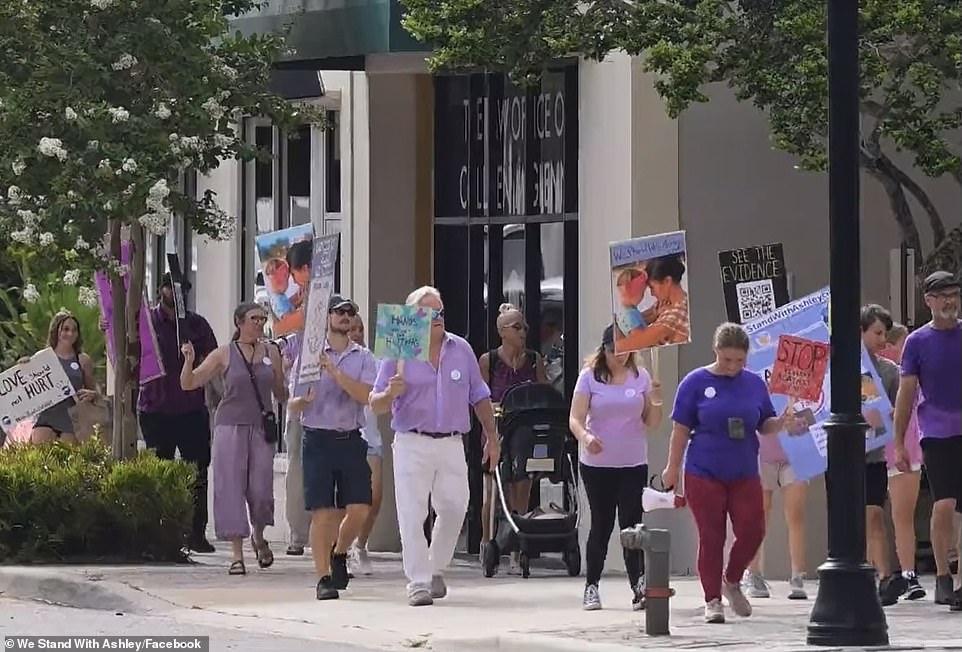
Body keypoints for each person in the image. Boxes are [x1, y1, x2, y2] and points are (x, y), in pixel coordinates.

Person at [370, 286, 500, 607]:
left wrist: (492, 438)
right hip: (412, 440)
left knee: (456, 506)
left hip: (452, 441)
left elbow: (480, 396)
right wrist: (390, 393)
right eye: (429, 312)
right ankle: (418, 580)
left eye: (440, 311)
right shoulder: (398, 352)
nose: (437, 318)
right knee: (412, 513)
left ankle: (435, 566)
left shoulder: (461, 349)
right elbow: (375, 403)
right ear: (414, 316)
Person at [661, 322, 788, 624]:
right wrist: (671, 467)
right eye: (727, 359)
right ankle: (712, 599)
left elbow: (765, 423)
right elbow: (680, 430)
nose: (733, 367)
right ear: (716, 351)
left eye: (739, 361)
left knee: (753, 529)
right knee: (711, 535)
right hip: (704, 471)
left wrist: (783, 423)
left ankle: (731, 580)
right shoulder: (694, 382)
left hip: (743, 470)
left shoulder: (754, 384)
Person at [179, 302, 289, 575]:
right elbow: (189, 382)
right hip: (229, 426)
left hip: (261, 428)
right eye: (254, 318)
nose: (259, 324)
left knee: (261, 489)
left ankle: (259, 535)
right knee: (231, 488)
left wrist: (287, 375)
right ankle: (237, 555)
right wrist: (189, 360)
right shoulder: (224, 354)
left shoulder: (271, 352)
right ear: (239, 322)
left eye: (262, 319)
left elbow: (281, 393)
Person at [287, 295, 376, 600]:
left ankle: (340, 551)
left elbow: (366, 396)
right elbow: (292, 402)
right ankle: (323, 577)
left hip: (350, 438)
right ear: (326, 317)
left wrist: (336, 373)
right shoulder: (309, 355)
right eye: (339, 311)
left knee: (360, 508)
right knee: (323, 512)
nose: (346, 316)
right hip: (318, 439)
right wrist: (304, 401)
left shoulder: (363, 357)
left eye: (351, 312)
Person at [568, 324, 663, 611]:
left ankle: (639, 584)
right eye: (615, 350)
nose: (620, 356)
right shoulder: (589, 378)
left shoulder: (641, 376)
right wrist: (585, 437)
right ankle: (592, 586)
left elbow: (652, 422)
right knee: (602, 524)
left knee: (632, 524)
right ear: (604, 349)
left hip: (633, 461)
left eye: (626, 350)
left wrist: (656, 399)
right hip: (598, 464)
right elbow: (575, 418)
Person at [893, 271, 961, 610]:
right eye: (942, 295)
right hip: (935, 430)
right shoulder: (917, 342)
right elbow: (906, 395)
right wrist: (899, 442)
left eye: (954, 294)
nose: (950, 301)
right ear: (929, 301)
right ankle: (943, 576)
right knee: (945, 502)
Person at [138, 274, 219, 553]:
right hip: (155, 407)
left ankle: (196, 533)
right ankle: (160, 533)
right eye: (170, 288)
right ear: (161, 290)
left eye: (182, 289)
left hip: (191, 409)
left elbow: (213, 361)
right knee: (159, 471)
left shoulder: (197, 325)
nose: (175, 293)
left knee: (197, 472)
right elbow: (126, 350)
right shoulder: (147, 323)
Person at [478, 303, 548, 574]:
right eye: (517, 327)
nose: (523, 332)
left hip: (525, 431)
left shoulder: (533, 359)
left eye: (525, 327)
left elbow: (543, 393)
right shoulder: (489, 361)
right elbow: (479, 397)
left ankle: (517, 550)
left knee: (521, 489)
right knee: (492, 492)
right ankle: (486, 543)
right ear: (502, 332)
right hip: (496, 429)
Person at [860, 304, 906, 605]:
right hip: (838, 458)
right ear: (860, 332)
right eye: (877, 332)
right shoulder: (834, 368)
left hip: (873, 455)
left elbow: (899, 409)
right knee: (848, 520)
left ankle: (886, 577)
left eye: (885, 334)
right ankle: (860, 574)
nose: (882, 339)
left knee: (874, 513)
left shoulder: (890, 372)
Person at [743, 395, 810, 600]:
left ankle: (798, 576)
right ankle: (754, 574)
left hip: (796, 452)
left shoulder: (804, 375)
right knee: (760, 513)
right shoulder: (756, 374)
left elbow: (818, 410)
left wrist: (805, 421)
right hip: (762, 453)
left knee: (795, 513)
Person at [880, 323, 926, 601]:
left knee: (902, 516)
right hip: (873, 450)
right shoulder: (872, 373)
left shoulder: (913, 378)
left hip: (905, 449)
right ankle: (886, 575)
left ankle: (908, 575)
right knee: (874, 517)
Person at [347, 313, 384, 576]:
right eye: (352, 328)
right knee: (348, 501)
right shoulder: (338, 362)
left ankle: (360, 545)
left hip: (371, 438)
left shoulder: (375, 360)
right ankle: (343, 548)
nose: (357, 332)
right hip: (345, 436)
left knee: (375, 496)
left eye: (361, 328)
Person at [30, 311, 99, 444]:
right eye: (65, 329)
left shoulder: (83, 360)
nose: (70, 334)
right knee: (40, 461)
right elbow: (25, 386)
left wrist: (92, 395)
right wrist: (23, 365)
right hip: (45, 421)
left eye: (74, 330)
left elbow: (94, 392)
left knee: (68, 462)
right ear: (56, 331)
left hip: (72, 424)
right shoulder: (41, 357)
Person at [615, 255, 690, 350]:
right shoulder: (665, 302)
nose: (651, 293)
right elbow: (641, 318)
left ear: (667, 281)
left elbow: (621, 347)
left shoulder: (674, 317)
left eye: (652, 287)